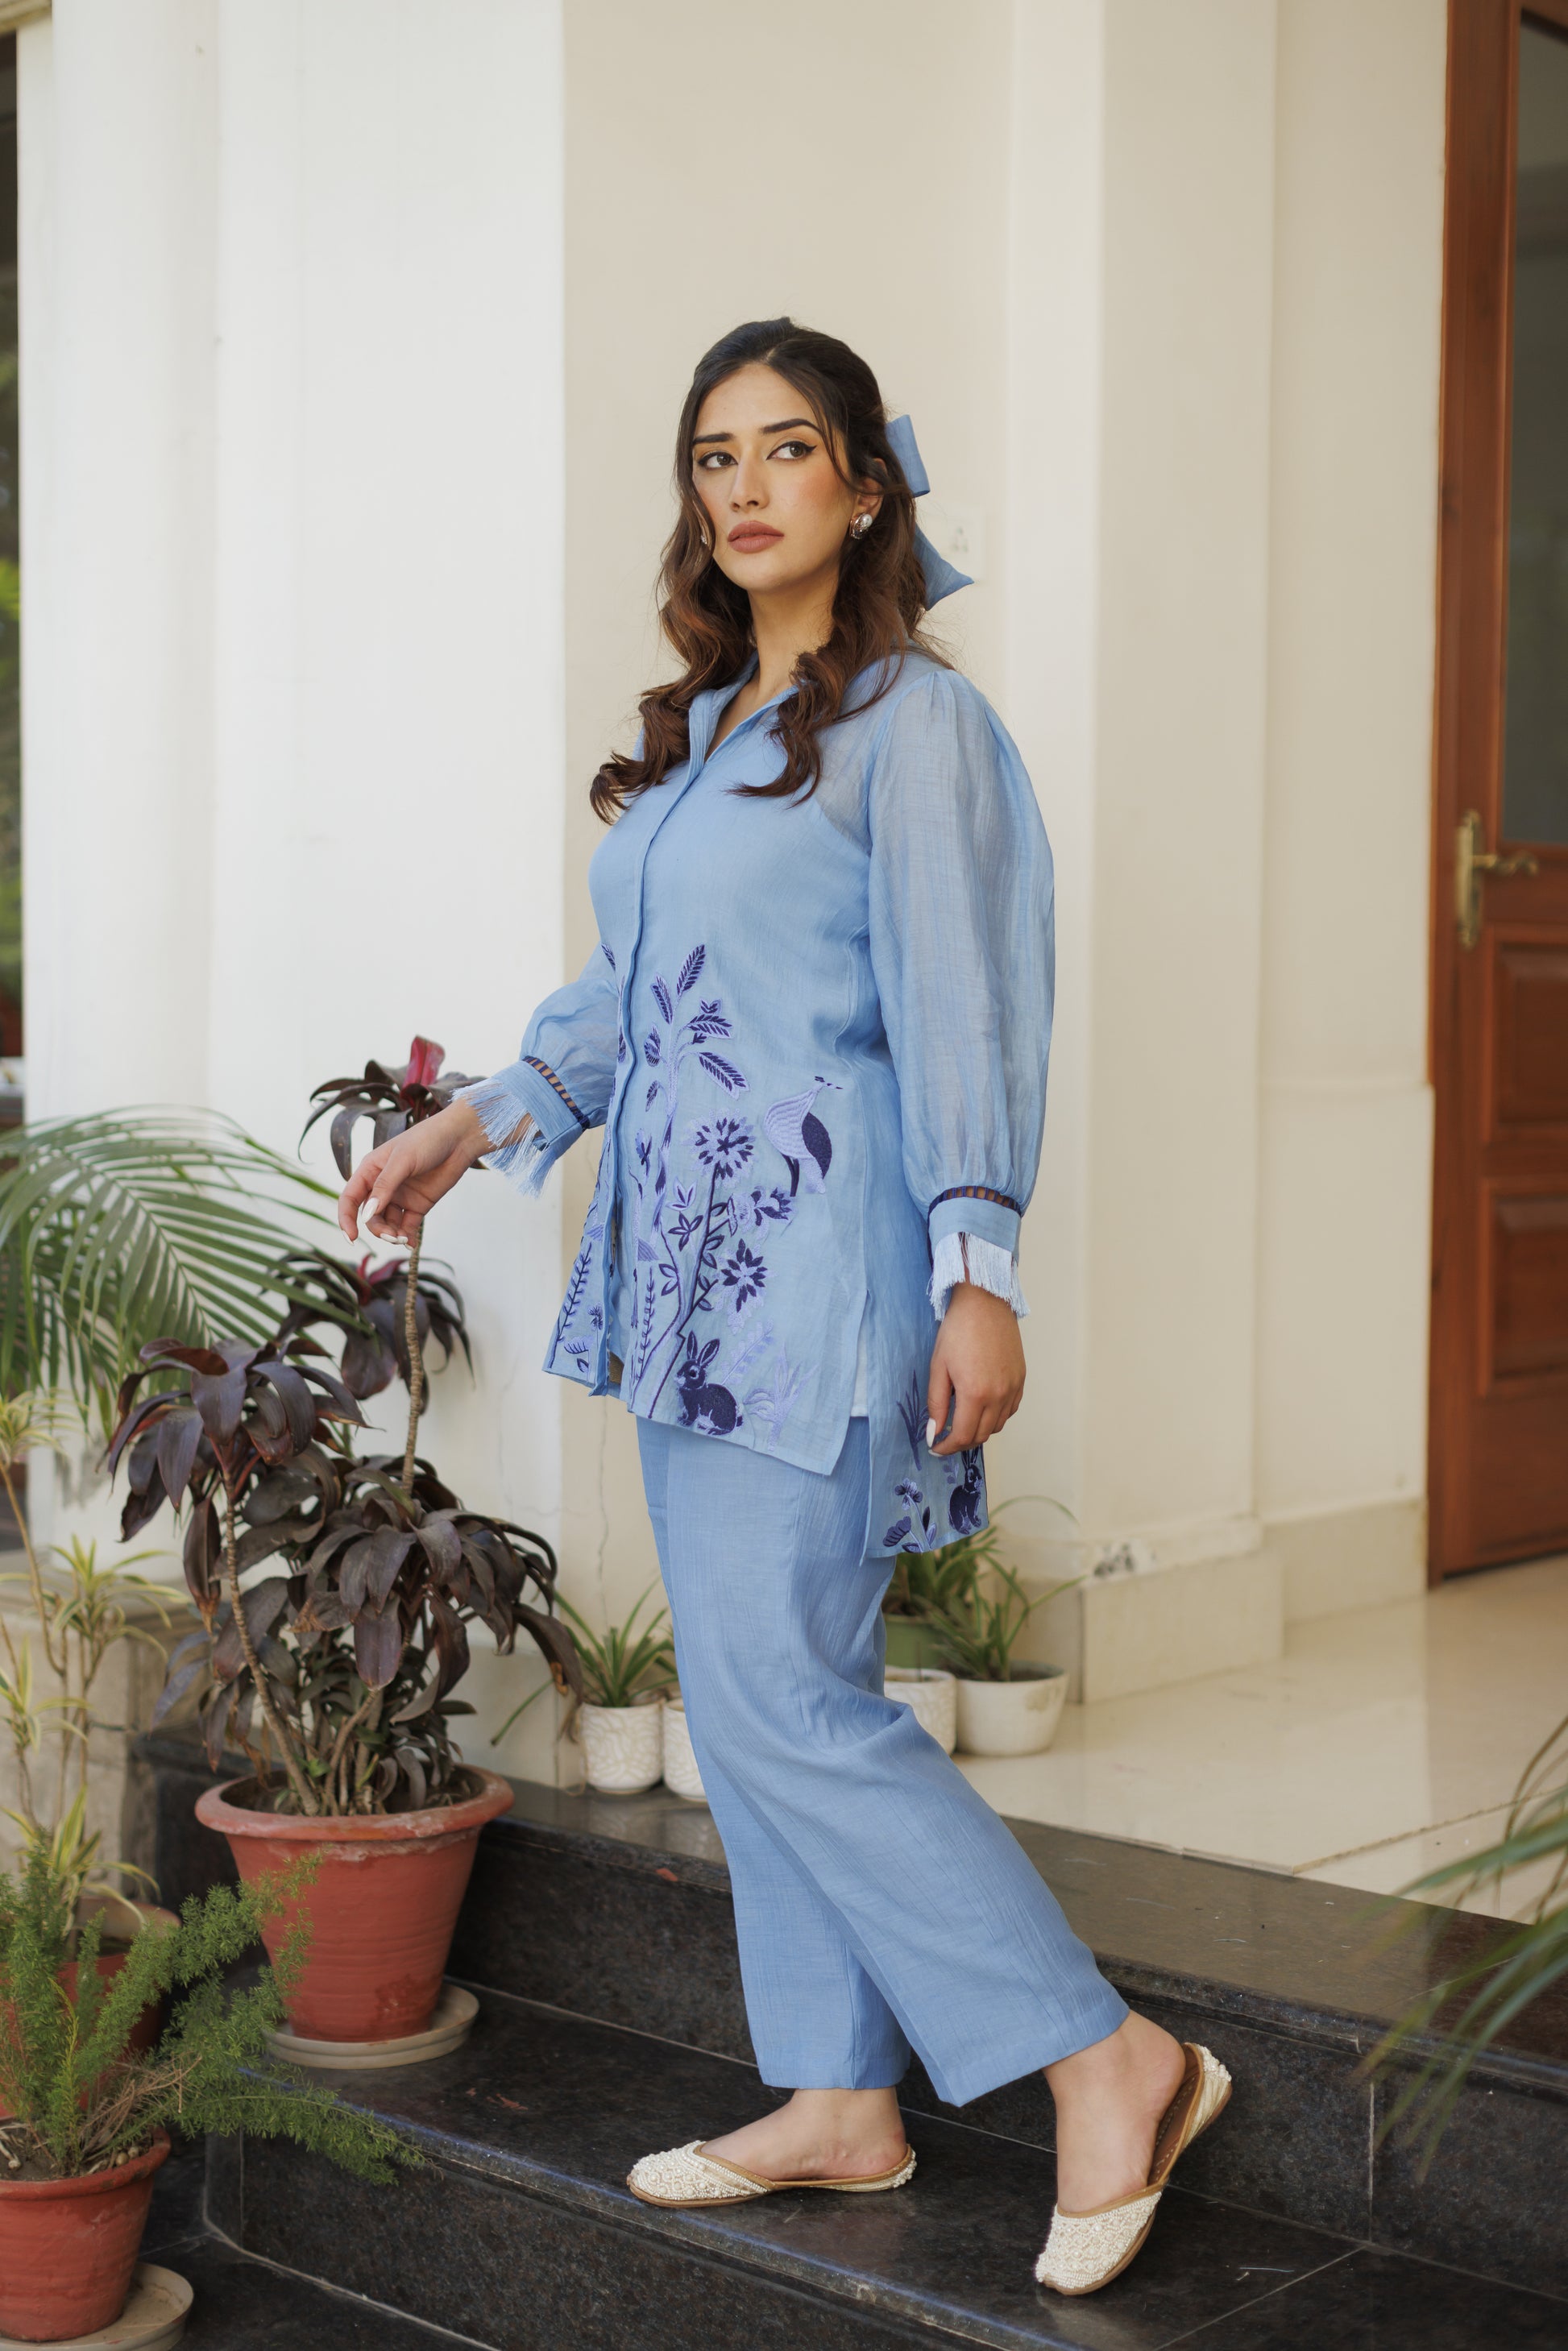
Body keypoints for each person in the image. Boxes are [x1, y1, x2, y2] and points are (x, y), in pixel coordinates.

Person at [336, 318, 1230, 2295]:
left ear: (865, 485)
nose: (743, 485)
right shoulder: (705, 738)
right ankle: (836, 2092)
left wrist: (980, 1274)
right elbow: (633, 1002)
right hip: (684, 1284)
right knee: (755, 1705)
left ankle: (1107, 2056)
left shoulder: (919, 726)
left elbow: (969, 1003)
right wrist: (476, 1121)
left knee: (780, 1697)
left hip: (827, 1278)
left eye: (787, 447)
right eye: (713, 455)